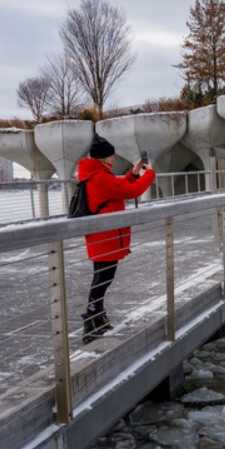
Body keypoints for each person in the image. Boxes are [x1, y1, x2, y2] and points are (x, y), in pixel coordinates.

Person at [78, 134, 155, 344]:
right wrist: (149, 173)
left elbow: (118, 189)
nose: (113, 159)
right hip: (105, 237)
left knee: (102, 277)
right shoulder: (100, 178)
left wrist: (134, 173)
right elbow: (132, 191)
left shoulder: (97, 175)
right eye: (110, 156)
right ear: (103, 158)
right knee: (103, 278)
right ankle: (91, 322)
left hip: (102, 237)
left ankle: (97, 318)